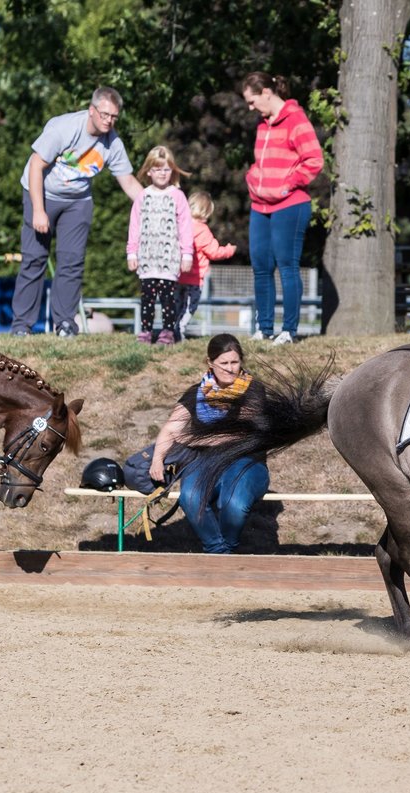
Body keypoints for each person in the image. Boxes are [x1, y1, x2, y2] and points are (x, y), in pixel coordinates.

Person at [12, 87, 143, 337]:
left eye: (114, 116)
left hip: (78, 201)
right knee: (35, 259)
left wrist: (158, 205)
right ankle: (21, 326)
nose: (108, 121)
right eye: (104, 114)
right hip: (41, 193)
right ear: (91, 111)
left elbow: (128, 183)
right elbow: (36, 166)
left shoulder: (113, 143)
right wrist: (39, 211)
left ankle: (64, 325)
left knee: (71, 262)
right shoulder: (65, 128)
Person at [150, 334, 269, 554]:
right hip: (205, 460)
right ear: (210, 363)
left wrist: (197, 439)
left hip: (246, 460)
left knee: (233, 504)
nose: (230, 368)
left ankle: (223, 551)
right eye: (224, 363)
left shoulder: (253, 390)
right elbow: (171, 428)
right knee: (191, 498)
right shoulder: (196, 393)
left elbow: (242, 433)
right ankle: (218, 550)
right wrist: (157, 458)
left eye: (235, 362)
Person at [241, 72, 323, 346]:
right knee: (261, 267)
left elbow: (314, 159)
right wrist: (253, 177)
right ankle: (263, 328)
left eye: (252, 101)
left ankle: (289, 331)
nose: (250, 107)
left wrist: (288, 184)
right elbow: (260, 163)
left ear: (266, 92)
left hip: (290, 204)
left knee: (287, 266)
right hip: (260, 204)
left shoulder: (296, 120)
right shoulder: (263, 124)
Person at [127, 146, 193, 345]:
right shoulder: (142, 196)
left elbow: (185, 227)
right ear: (149, 171)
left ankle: (167, 332)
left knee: (167, 298)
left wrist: (187, 254)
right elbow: (135, 225)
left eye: (166, 169)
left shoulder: (177, 196)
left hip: (169, 258)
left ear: (172, 170)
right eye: (157, 169)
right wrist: (132, 253)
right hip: (147, 258)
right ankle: (146, 331)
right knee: (147, 297)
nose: (162, 174)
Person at [175, 191, 238, 340]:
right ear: (207, 212)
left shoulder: (179, 225)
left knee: (176, 305)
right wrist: (229, 250)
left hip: (177, 276)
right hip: (195, 280)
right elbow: (214, 252)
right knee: (190, 307)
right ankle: (180, 329)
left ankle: (172, 328)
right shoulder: (203, 231)